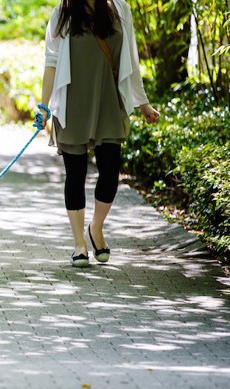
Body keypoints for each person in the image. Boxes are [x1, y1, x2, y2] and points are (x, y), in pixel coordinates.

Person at [39, 0, 160, 267]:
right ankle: (79, 244)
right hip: (72, 105)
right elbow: (51, 63)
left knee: (110, 169)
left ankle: (96, 227)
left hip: (108, 101)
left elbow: (131, 59)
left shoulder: (120, 10)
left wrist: (143, 103)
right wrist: (44, 107)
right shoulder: (63, 14)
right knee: (76, 173)